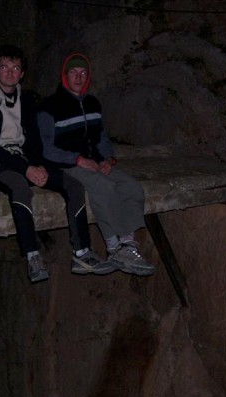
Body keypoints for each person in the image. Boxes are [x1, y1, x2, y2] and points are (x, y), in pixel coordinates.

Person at [0, 45, 115, 283]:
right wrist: (26, 169)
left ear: (22, 73)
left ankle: (82, 252)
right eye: (4, 67)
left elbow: (34, 140)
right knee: (19, 186)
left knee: (73, 185)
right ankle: (32, 254)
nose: (10, 73)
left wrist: (38, 165)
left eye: (16, 68)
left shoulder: (25, 100)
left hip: (24, 159)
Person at [37, 52, 155, 276]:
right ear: (64, 75)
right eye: (74, 72)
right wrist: (78, 159)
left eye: (83, 73)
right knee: (104, 187)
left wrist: (108, 160)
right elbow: (45, 149)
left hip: (95, 162)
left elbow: (102, 138)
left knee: (132, 188)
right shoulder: (49, 107)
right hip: (67, 165)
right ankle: (114, 246)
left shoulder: (92, 103)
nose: (79, 77)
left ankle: (127, 245)